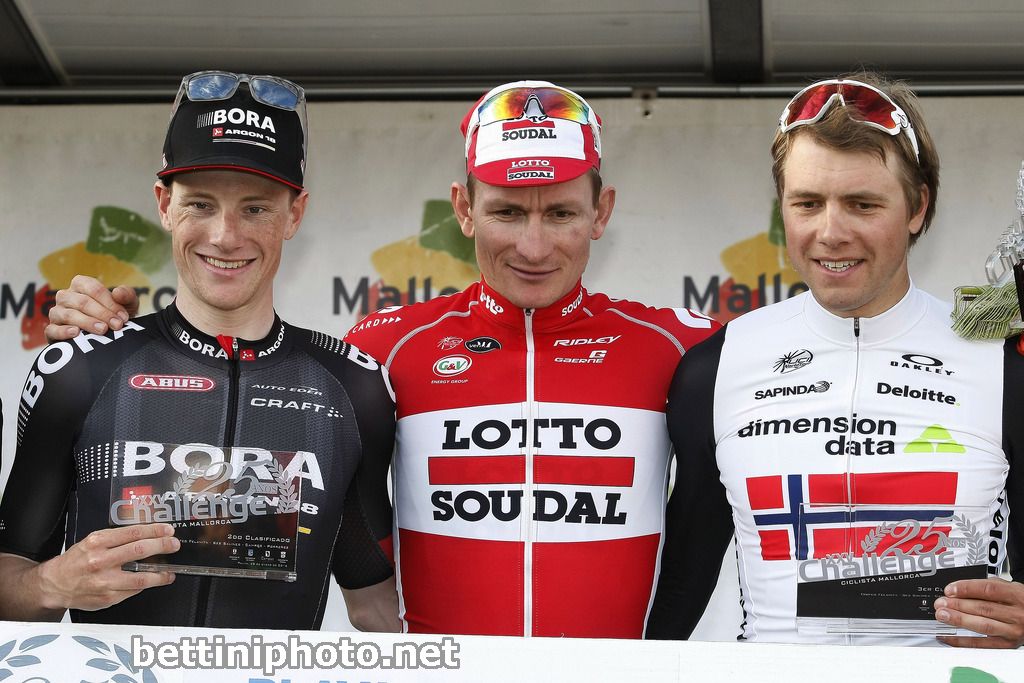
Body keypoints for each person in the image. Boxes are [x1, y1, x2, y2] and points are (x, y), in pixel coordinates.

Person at [44, 80, 720, 638]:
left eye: (562, 214)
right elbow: (242, 414)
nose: (535, 247)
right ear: (463, 209)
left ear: (602, 211)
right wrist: (111, 335)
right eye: (508, 213)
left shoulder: (684, 347)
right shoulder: (382, 348)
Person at [0, 71, 399, 631]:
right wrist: (51, 584)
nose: (225, 236)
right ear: (164, 205)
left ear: (294, 214)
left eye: (256, 208)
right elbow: (10, 581)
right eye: (201, 205)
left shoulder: (354, 387)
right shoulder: (82, 369)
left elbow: (379, 608)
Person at [646, 72, 1024, 647]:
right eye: (807, 203)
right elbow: (679, 587)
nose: (830, 232)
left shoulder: (999, 360)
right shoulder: (716, 367)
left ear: (918, 207)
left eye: (862, 204)